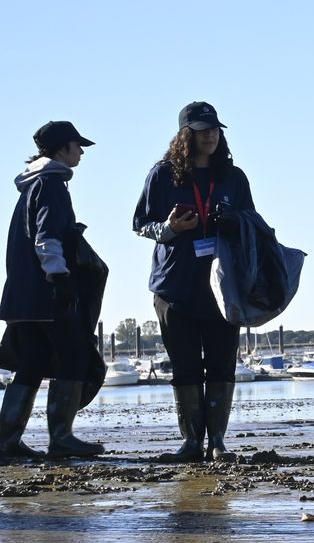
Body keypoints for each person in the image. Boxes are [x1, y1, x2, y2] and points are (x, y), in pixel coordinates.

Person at [133, 102, 254, 462]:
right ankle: (191, 443)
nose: (211, 136)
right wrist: (170, 229)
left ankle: (217, 440)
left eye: (215, 129)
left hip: (222, 288)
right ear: (186, 135)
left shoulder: (234, 177)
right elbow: (140, 223)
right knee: (185, 367)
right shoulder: (163, 175)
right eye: (203, 130)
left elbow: (253, 224)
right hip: (174, 287)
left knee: (221, 364)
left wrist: (234, 222)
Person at [0, 122, 105, 458]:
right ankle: (61, 436)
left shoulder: (31, 184)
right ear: (62, 148)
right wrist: (58, 277)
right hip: (45, 293)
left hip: (20, 296)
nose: (82, 151)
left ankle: (6, 441)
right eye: (78, 144)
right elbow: (46, 236)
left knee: (32, 361)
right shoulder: (52, 183)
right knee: (73, 356)